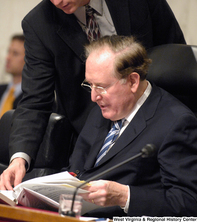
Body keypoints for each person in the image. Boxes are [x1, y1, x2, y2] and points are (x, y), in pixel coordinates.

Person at [0, 0, 186, 190]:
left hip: (154, 124)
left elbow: (172, 46)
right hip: (90, 138)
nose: (55, 0)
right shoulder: (39, 24)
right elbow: (34, 100)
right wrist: (19, 159)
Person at [68, 35, 197, 217]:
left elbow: (188, 203)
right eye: (90, 85)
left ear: (133, 81)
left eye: (102, 86)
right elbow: (77, 169)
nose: (94, 96)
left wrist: (125, 197)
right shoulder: (102, 109)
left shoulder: (176, 123)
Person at [0, 34, 25, 122]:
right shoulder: (0, 90)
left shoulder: (34, 100)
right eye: (8, 52)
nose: (8, 57)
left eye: (15, 53)